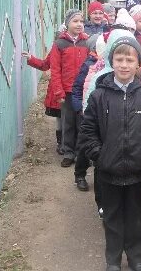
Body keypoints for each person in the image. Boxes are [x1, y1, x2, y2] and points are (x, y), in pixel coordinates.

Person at [79, 36, 141, 271]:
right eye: (119, 59)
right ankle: (113, 260)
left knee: (133, 215)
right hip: (107, 171)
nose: (124, 64)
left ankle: (136, 257)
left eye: (130, 59)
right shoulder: (99, 96)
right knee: (112, 217)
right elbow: (87, 131)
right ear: (112, 61)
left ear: (139, 63)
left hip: (137, 170)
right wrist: (100, 156)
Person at [49, 9, 90, 168]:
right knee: (68, 122)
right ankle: (68, 152)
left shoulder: (86, 42)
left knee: (82, 122)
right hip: (66, 91)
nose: (79, 24)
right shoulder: (59, 43)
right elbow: (55, 69)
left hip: (82, 91)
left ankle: (81, 153)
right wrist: (59, 91)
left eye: (81, 21)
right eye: (75, 21)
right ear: (67, 24)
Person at [69, 34, 101, 191]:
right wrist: (79, 108)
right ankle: (80, 174)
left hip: (103, 113)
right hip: (86, 113)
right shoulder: (88, 65)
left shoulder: (111, 66)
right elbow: (77, 87)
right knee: (83, 146)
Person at [22, 51, 63, 155]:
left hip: (74, 89)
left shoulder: (81, 45)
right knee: (60, 117)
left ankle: (70, 145)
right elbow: (45, 65)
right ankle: (61, 143)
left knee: (72, 119)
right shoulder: (57, 49)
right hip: (58, 89)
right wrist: (31, 58)